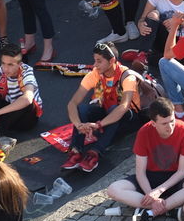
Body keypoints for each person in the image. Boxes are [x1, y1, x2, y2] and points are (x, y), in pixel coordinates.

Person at [107, 98, 184, 221]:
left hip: (175, 177)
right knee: (113, 189)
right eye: (164, 123)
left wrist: (158, 191)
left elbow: (182, 171)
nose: (170, 127)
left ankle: (149, 212)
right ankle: (168, 209)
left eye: (172, 121)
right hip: (150, 177)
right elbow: (140, 172)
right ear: (153, 123)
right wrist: (151, 195)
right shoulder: (144, 132)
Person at [60, 41, 143, 174]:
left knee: (114, 109)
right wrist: (79, 125)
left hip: (128, 119)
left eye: (99, 61)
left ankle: (95, 153)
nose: (95, 65)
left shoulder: (128, 77)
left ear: (112, 61)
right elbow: (72, 103)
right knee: (82, 109)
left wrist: (98, 125)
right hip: (107, 114)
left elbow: (124, 107)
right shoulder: (95, 74)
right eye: (94, 60)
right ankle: (76, 150)